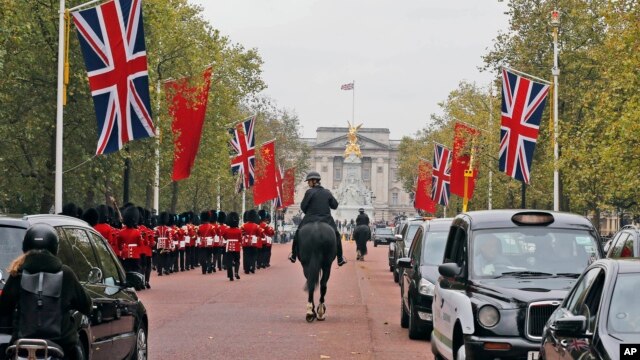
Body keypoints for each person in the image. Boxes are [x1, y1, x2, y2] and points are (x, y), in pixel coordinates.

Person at [0, 223, 92, 360]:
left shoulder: (17, 274)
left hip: (22, 346)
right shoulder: (66, 273)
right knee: (77, 351)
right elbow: (86, 305)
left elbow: (4, 308)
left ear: (25, 246)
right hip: (61, 345)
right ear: (55, 247)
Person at [288, 171, 346, 266]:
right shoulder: (327, 192)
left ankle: (294, 255)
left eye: (309, 181)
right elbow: (334, 205)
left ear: (314, 181)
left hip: (310, 218)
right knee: (336, 235)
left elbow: (303, 206)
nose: (308, 183)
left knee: (298, 233)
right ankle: (340, 258)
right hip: (326, 219)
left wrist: (310, 212)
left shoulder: (309, 192)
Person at [221, 211, 242, 281]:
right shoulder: (239, 230)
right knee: (237, 260)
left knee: (229, 261)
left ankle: (230, 276)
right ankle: (236, 272)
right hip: (236, 246)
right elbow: (240, 239)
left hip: (229, 246)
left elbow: (224, 236)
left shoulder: (227, 230)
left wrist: (228, 239)